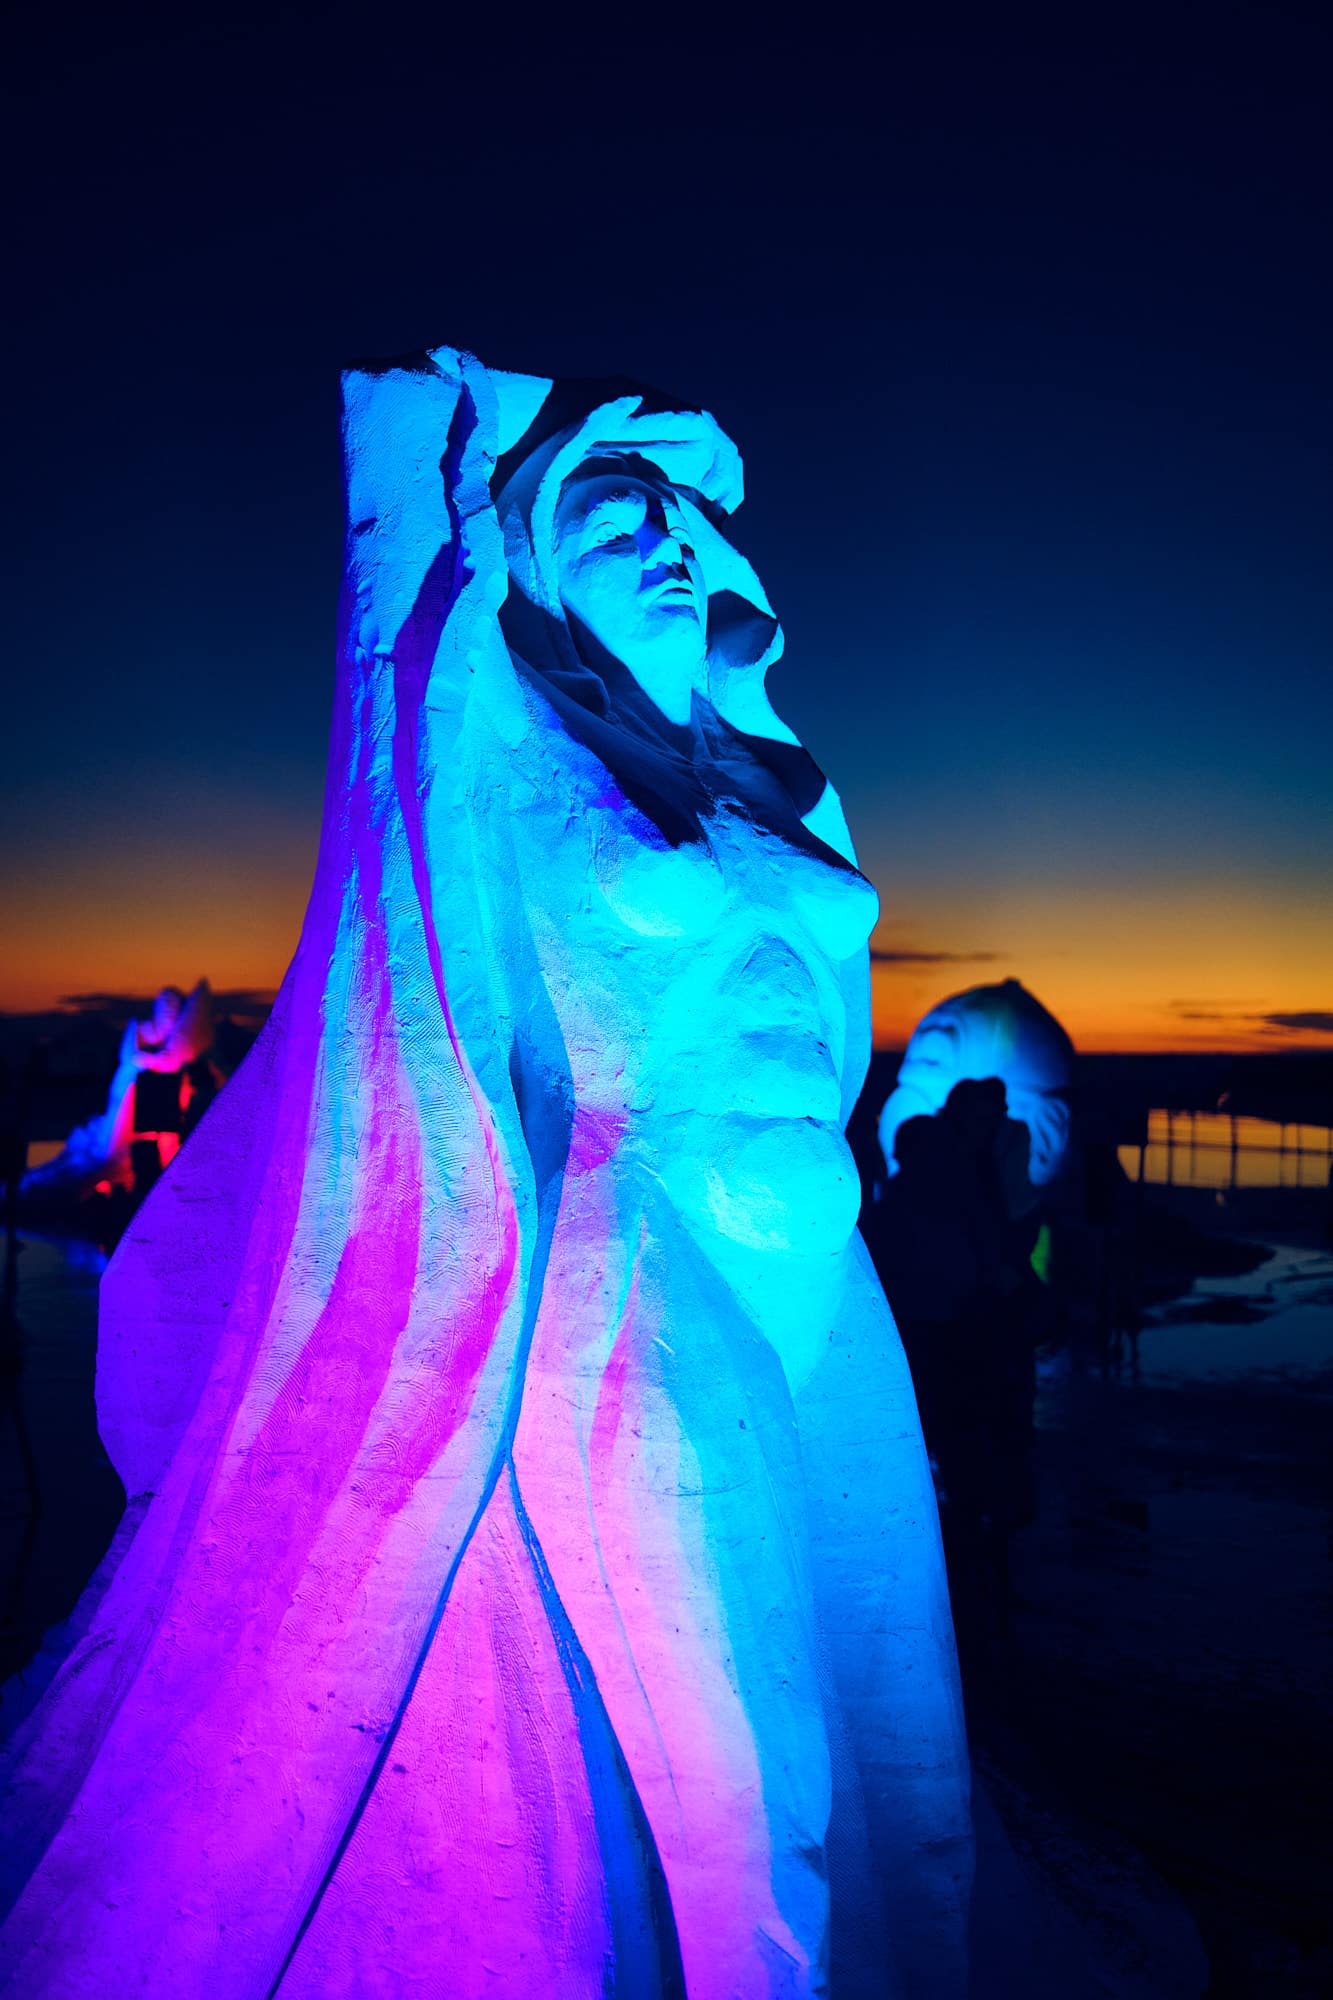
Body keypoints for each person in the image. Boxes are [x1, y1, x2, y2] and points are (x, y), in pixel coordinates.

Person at [0, 353, 970, 1999]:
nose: (663, 539)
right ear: (531, 573)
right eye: (607, 521)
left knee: (877, 1694)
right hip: (633, 1269)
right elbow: (413, 958)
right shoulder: (521, 779)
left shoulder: (769, 775)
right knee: (745, 1748)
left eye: (673, 513)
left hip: (818, 1285)